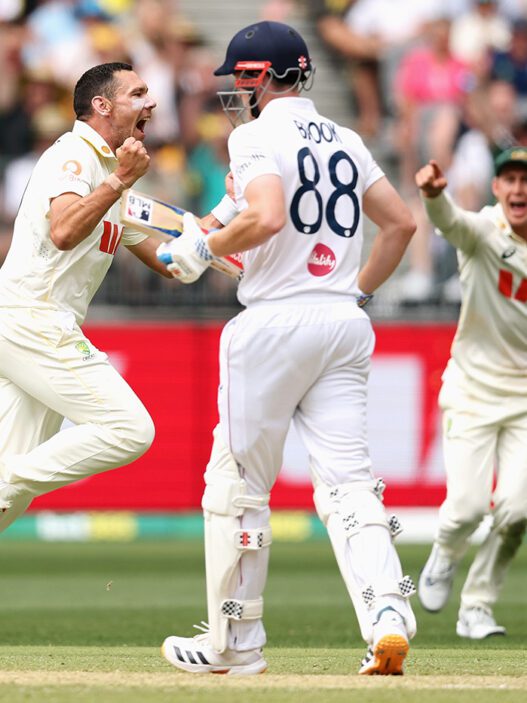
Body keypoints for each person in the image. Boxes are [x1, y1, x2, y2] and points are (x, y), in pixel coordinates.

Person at [157, 21, 417, 676]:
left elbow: (268, 216)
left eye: (239, 78)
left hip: (273, 324)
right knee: (348, 482)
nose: (234, 91)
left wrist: (202, 248)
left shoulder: (253, 137)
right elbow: (400, 223)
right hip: (342, 322)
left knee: (238, 487)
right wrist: (355, 292)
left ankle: (234, 644)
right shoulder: (347, 139)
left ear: (263, 77)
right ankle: (387, 613)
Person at [0, 62, 205, 534]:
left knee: (11, 501)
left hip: (34, 323)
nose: (151, 102)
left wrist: (216, 240)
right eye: (138, 93)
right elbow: (64, 231)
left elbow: (167, 260)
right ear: (102, 106)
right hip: (33, 317)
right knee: (130, 430)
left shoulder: (113, 174)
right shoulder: (74, 155)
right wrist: (119, 182)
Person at [416, 149, 527, 638]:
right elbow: (451, 223)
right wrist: (432, 197)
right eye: (510, 179)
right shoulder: (484, 232)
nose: (519, 189)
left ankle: (477, 606)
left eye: (526, 180)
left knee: (518, 510)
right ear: (496, 188)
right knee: (465, 509)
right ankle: (445, 551)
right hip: (474, 391)